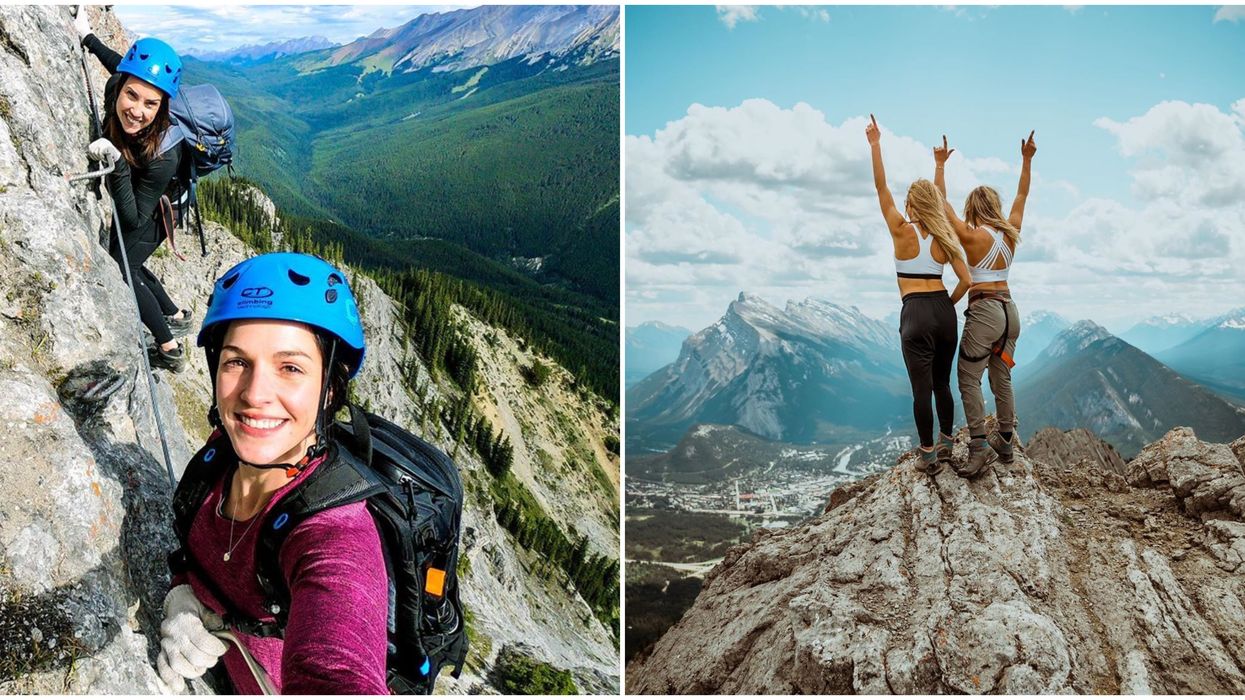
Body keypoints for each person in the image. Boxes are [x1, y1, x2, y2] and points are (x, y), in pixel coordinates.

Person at [154, 253, 389, 693]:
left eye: (291, 368)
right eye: (236, 362)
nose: (255, 394)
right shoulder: (219, 458)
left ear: (330, 390)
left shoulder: (337, 535)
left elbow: (339, 671)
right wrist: (182, 593)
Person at [74, 7, 191, 372]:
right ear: (121, 85)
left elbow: (134, 216)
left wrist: (118, 165)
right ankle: (175, 314)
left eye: (150, 104)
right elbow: (118, 62)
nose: (136, 110)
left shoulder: (163, 157)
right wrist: (86, 37)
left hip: (161, 206)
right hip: (143, 191)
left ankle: (169, 349)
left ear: (162, 107)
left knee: (124, 265)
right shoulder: (118, 83)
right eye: (132, 95)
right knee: (131, 261)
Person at [866, 115, 972, 474]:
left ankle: (927, 455)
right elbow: (966, 281)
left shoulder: (900, 230)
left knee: (921, 389)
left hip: (914, 312)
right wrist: (947, 305)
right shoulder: (945, 237)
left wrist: (876, 145)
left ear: (911, 205)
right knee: (943, 384)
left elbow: (881, 189)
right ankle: (945, 443)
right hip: (944, 310)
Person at [933, 131, 1036, 476]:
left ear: (973, 209)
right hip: (1010, 311)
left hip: (986, 309)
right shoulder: (1011, 233)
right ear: (994, 206)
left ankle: (979, 446)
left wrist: (939, 165)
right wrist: (1027, 159)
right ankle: (1005, 438)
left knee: (966, 377)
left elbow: (939, 203)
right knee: (1001, 375)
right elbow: (1022, 194)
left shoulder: (972, 236)